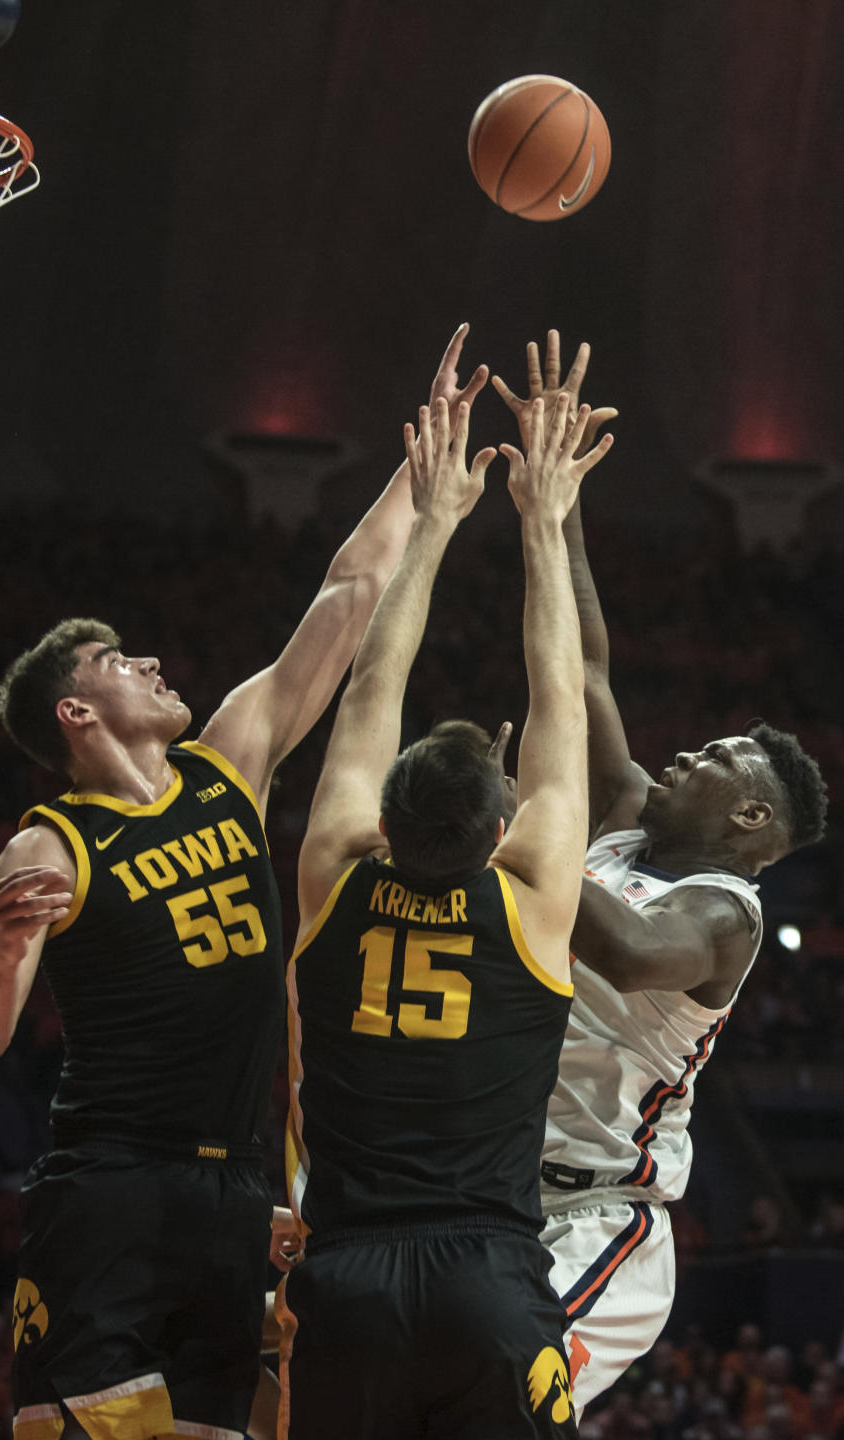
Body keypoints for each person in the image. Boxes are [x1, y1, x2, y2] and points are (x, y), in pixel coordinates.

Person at [0, 325, 491, 1440]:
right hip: (112, 1185)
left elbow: (347, 595)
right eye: (119, 662)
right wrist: (6, 952)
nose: (151, 664)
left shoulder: (225, 768)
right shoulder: (52, 842)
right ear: (78, 712)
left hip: (238, 1192)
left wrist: (419, 465)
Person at [493, 332, 829, 1422]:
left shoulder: (723, 919)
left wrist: (510, 825)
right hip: (493, 1183)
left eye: (714, 759)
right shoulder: (635, 825)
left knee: (494, 1400)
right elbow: (585, 667)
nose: (681, 755)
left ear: (748, 819)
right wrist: (559, 500)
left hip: (599, 1218)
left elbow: (628, 951)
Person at [277, 390, 615, 1440]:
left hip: (346, 1289)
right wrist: (545, 516)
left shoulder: (334, 870)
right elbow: (564, 697)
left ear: (384, 819)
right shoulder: (533, 900)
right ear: (503, 828)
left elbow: (373, 688)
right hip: (490, 1280)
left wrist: (431, 524)